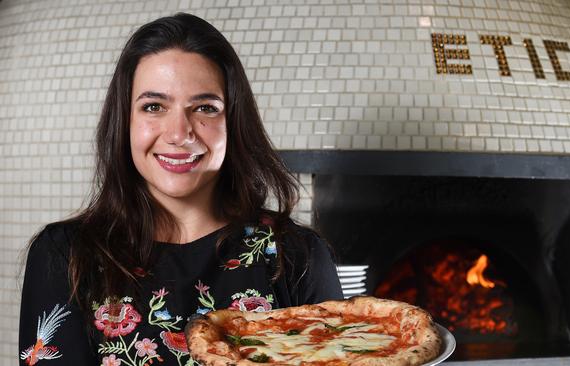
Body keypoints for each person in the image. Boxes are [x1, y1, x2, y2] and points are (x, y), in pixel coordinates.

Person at [19, 13, 343, 365]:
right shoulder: (65, 256)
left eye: (205, 107)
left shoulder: (298, 256)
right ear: (124, 122)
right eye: (153, 107)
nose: (179, 133)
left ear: (233, 122)